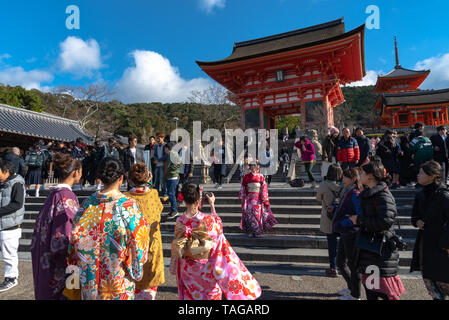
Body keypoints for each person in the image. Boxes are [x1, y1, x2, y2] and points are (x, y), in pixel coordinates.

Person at [67, 157, 150, 300]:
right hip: (117, 279)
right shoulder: (128, 206)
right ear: (121, 178)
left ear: (100, 178)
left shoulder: (87, 205)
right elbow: (139, 243)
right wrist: (135, 268)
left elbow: (73, 239)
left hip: (89, 280)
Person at [170, 183, 262, 300]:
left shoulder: (179, 221)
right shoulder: (208, 220)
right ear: (199, 199)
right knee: (209, 296)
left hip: (186, 267)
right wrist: (212, 205)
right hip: (204, 268)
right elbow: (219, 231)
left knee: (190, 296)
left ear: (183, 199)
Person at [350, 160, 405, 300]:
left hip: (379, 251)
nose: (359, 175)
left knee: (384, 292)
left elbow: (386, 221)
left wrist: (360, 220)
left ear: (370, 176)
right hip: (370, 250)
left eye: (362, 172)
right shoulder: (371, 194)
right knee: (372, 290)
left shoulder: (382, 195)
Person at [31, 153, 82, 300]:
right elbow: (65, 237)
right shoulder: (66, 198)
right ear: (75, 173)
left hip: (44, 260)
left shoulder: (53, 196)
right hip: (58, 267)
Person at [124, 163, 164, 300]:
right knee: (149, 290)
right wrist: (150, 182)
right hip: (152, 246)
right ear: (147, 177)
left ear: (130, 180)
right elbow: (159, 210)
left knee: (132, 287)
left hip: (133, 249)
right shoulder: (154, 194)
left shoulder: (125, 198)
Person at [410, 160, 449, 300]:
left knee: (442, 281)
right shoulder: (420, 194)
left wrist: (445, 244)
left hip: (441, 247)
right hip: (425, 243)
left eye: (421, 173)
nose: (418, 175)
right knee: (431, 284)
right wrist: (416, 221)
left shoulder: (444, 196)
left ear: (432, 175)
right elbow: (414, 216)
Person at [333, 168, 362, 300]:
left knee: (352, 265)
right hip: (345, 232)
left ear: (352, 179)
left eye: (345, 177)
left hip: (351, 232)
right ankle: (351, 288)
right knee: (340, 262)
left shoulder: (355, 193)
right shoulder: (347, 191)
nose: (342, 179)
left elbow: (358, 215)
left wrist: (345, 222)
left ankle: (356, 294)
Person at [0, 160, 25, 292]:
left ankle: (11, 278)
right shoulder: (4, 183)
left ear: (6, 171)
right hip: (3, 224)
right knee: (7, 253)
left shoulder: (16, 183)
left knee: (9, 253)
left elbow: (17, 204)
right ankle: (10, 277)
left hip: (11, 226)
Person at [316, 164, 343, 278]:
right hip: (342, 217)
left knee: (332, 244)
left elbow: (318, 198)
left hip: (329, 217)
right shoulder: (344, 185)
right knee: (343, 244)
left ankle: (333, 267)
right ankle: (343, 266)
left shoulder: (323, 184)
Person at [239, 163, 278, 238]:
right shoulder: (246, 176)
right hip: (249, 198)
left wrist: (264, 197)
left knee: (257, 215)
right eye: (251, 166)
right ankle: (250, 231)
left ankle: (257, 231)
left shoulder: (261, 176)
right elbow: (243, 187)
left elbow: (264, 187)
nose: (252, 167)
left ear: (257, 167)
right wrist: (243, 198)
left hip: (258, 198)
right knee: (250, 214)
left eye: (254, 165)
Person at [165, 142, 183, 219]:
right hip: (171, 176)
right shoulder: (171, 154)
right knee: (171, 194)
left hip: (173, 177)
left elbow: (179, 163)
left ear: (166, 148)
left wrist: (172, 169)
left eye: (165, 148)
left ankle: (175, 210)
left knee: (171, 194)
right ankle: (173, 210)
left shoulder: (173, 154)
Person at [153, 132, 168, 196]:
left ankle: (165, 193)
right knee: (156, 180)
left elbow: (166, 155)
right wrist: (155, 160)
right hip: (157, 165)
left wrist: (158, 160)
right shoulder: (156, 146)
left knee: (162, 180)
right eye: (157, 138)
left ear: (163, 138)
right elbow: (155, 155)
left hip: (163, 165)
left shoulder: (165, 145)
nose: (158, 139)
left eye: (160, 138)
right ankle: (156, 193)